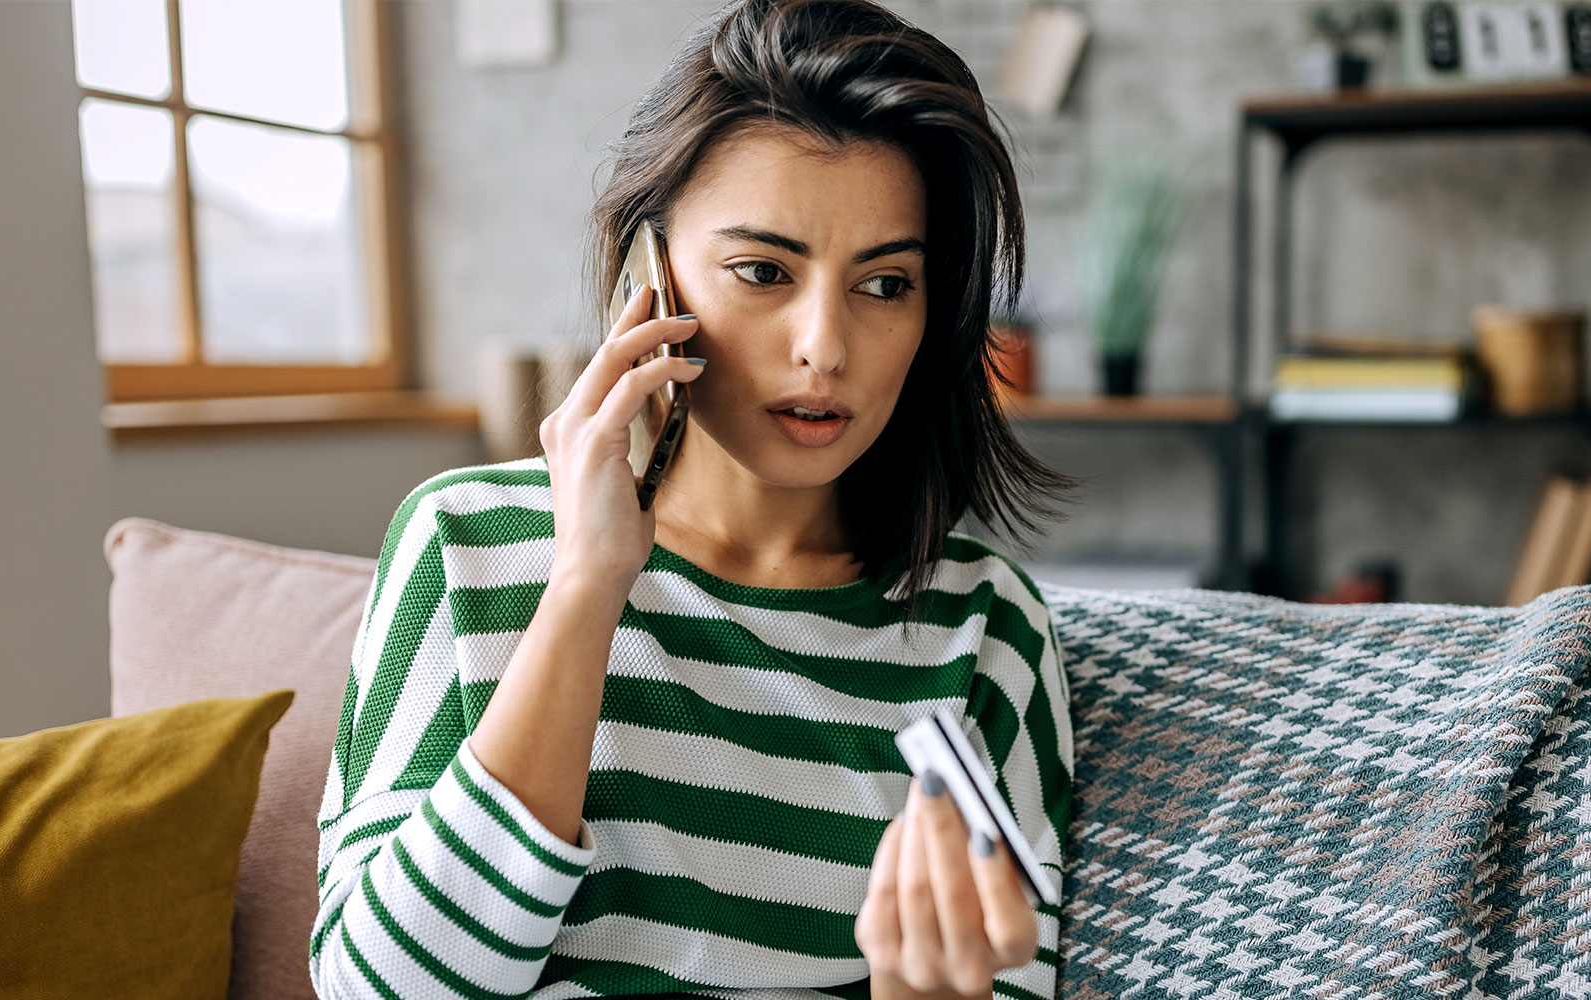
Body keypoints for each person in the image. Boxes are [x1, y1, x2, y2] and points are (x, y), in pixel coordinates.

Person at [308, 1, 1076, 998]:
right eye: (762, 270)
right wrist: (585, 589)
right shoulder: (466, 545)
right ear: (649, 275)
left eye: (884, 285)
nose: (823, 346)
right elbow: (378, 987)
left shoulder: (985, 631)